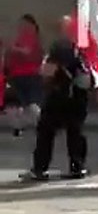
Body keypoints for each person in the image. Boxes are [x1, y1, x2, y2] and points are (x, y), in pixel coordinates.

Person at [20, 16, 90, 181]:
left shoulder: (60, 47)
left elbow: (48, 71)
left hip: (60, 95)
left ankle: (39, 168)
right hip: (79, 95)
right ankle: (77, 167)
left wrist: (44, 75)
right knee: (75, 132)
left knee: (45, 131)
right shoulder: (82, 48)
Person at [3, 15, 43, 138]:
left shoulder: (30, 38)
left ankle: (40, 124)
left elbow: (27, 52)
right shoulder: (21, 38)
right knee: (21, 104)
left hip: (29, 74)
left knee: (30, 103)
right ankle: (21, 126)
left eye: (23, 24)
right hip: (17, 75)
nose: (20, 26)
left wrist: (12, 48)